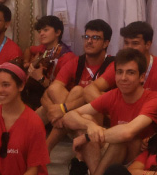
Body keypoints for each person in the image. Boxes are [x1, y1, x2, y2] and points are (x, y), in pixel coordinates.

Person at [64, 48, 157, 175]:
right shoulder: (113, 95)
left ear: (141, 77)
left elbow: (127, 132)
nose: (123, 78)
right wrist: (89, 126)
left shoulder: (154, 99)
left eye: (130, 73)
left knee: (123, 140)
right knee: (85, 120)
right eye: (119, 72)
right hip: (114, 152)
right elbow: (68, 116)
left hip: (140, 158)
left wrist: (87, 137)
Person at [44, 19, 113, 149]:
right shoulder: (76, 62)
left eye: (95, 38)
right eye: (86, 37)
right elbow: (52, 89)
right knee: (51, 95)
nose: (89, 41)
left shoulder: (113, 64)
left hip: (100, 119)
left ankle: (45, 149)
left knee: (79, 91)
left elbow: (91, 95)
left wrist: (64, 109)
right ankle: (17, 142)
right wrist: (56, 111)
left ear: (105, 43)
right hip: (78, 118)